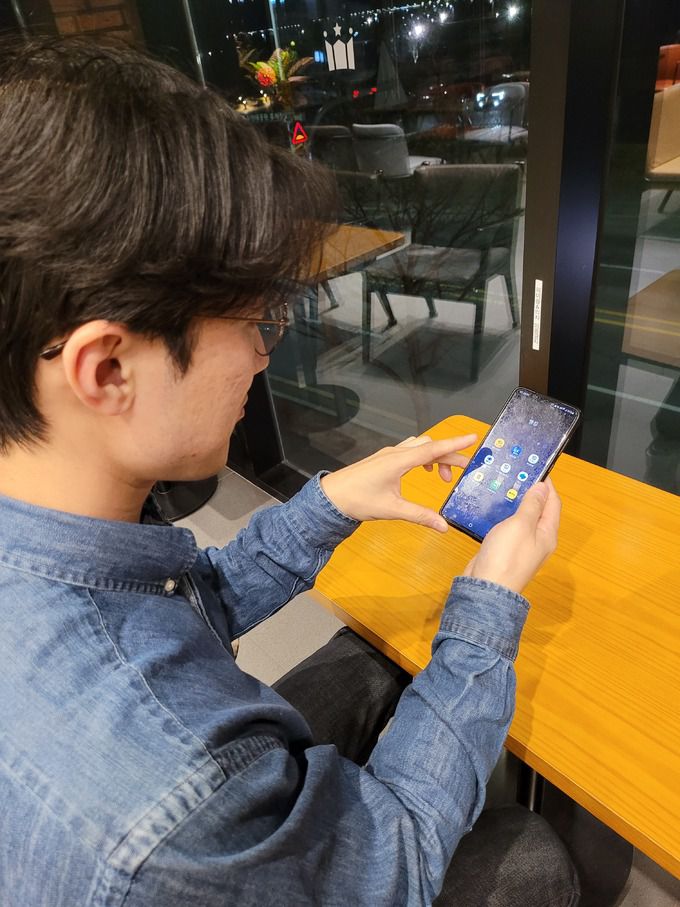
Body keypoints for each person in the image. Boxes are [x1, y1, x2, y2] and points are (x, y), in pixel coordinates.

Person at [0, 37, 580, 907]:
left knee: (374, 659)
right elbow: (395, 864)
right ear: (108, 368)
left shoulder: (53, 515)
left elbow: (183, 609)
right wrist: (489, 605)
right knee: (531, 853)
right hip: (178, 833)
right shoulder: (183, 801)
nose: (263, 356)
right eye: (254, 322)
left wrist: (328, 502)